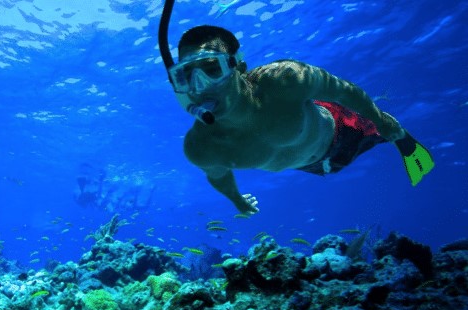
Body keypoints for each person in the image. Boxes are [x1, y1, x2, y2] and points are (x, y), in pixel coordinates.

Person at [157, 2, 435, 216]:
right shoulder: (201, 147)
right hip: (313, 167)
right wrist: (238, 201)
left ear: (238, 67)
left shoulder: (284, 81)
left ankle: (401, 138)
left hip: (343, 130)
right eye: (186, 76)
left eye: (210, 69)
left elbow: (342, 90)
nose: (200, 86)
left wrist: (377, 118)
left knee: (388, 129)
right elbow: (218, 175)